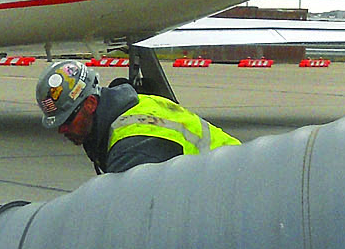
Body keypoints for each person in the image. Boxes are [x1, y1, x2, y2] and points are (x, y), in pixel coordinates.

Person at [35, 59, 238, 174]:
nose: (62, 129)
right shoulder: (133, 106)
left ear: (90, 104)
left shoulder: (134, 148)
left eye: (68, 120)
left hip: (233, 186)